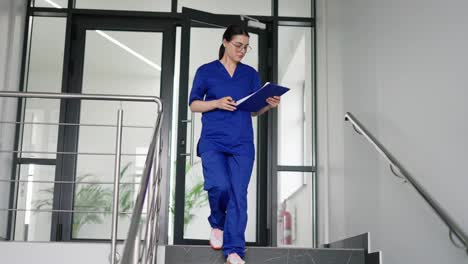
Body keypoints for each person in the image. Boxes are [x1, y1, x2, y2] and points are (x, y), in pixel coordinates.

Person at [188, 24, 281, 264]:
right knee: (220, 187)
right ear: (225, 42)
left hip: (242, 142)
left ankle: (234, 251)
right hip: (213, 141)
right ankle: (217, 223)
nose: (242, 50)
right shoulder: (206, 71)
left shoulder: (250, 74)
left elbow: (253, 111)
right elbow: (194, 104)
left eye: (246, 47)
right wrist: (217, 103)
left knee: (239, 195)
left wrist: (268, 104)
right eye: (238, 45)